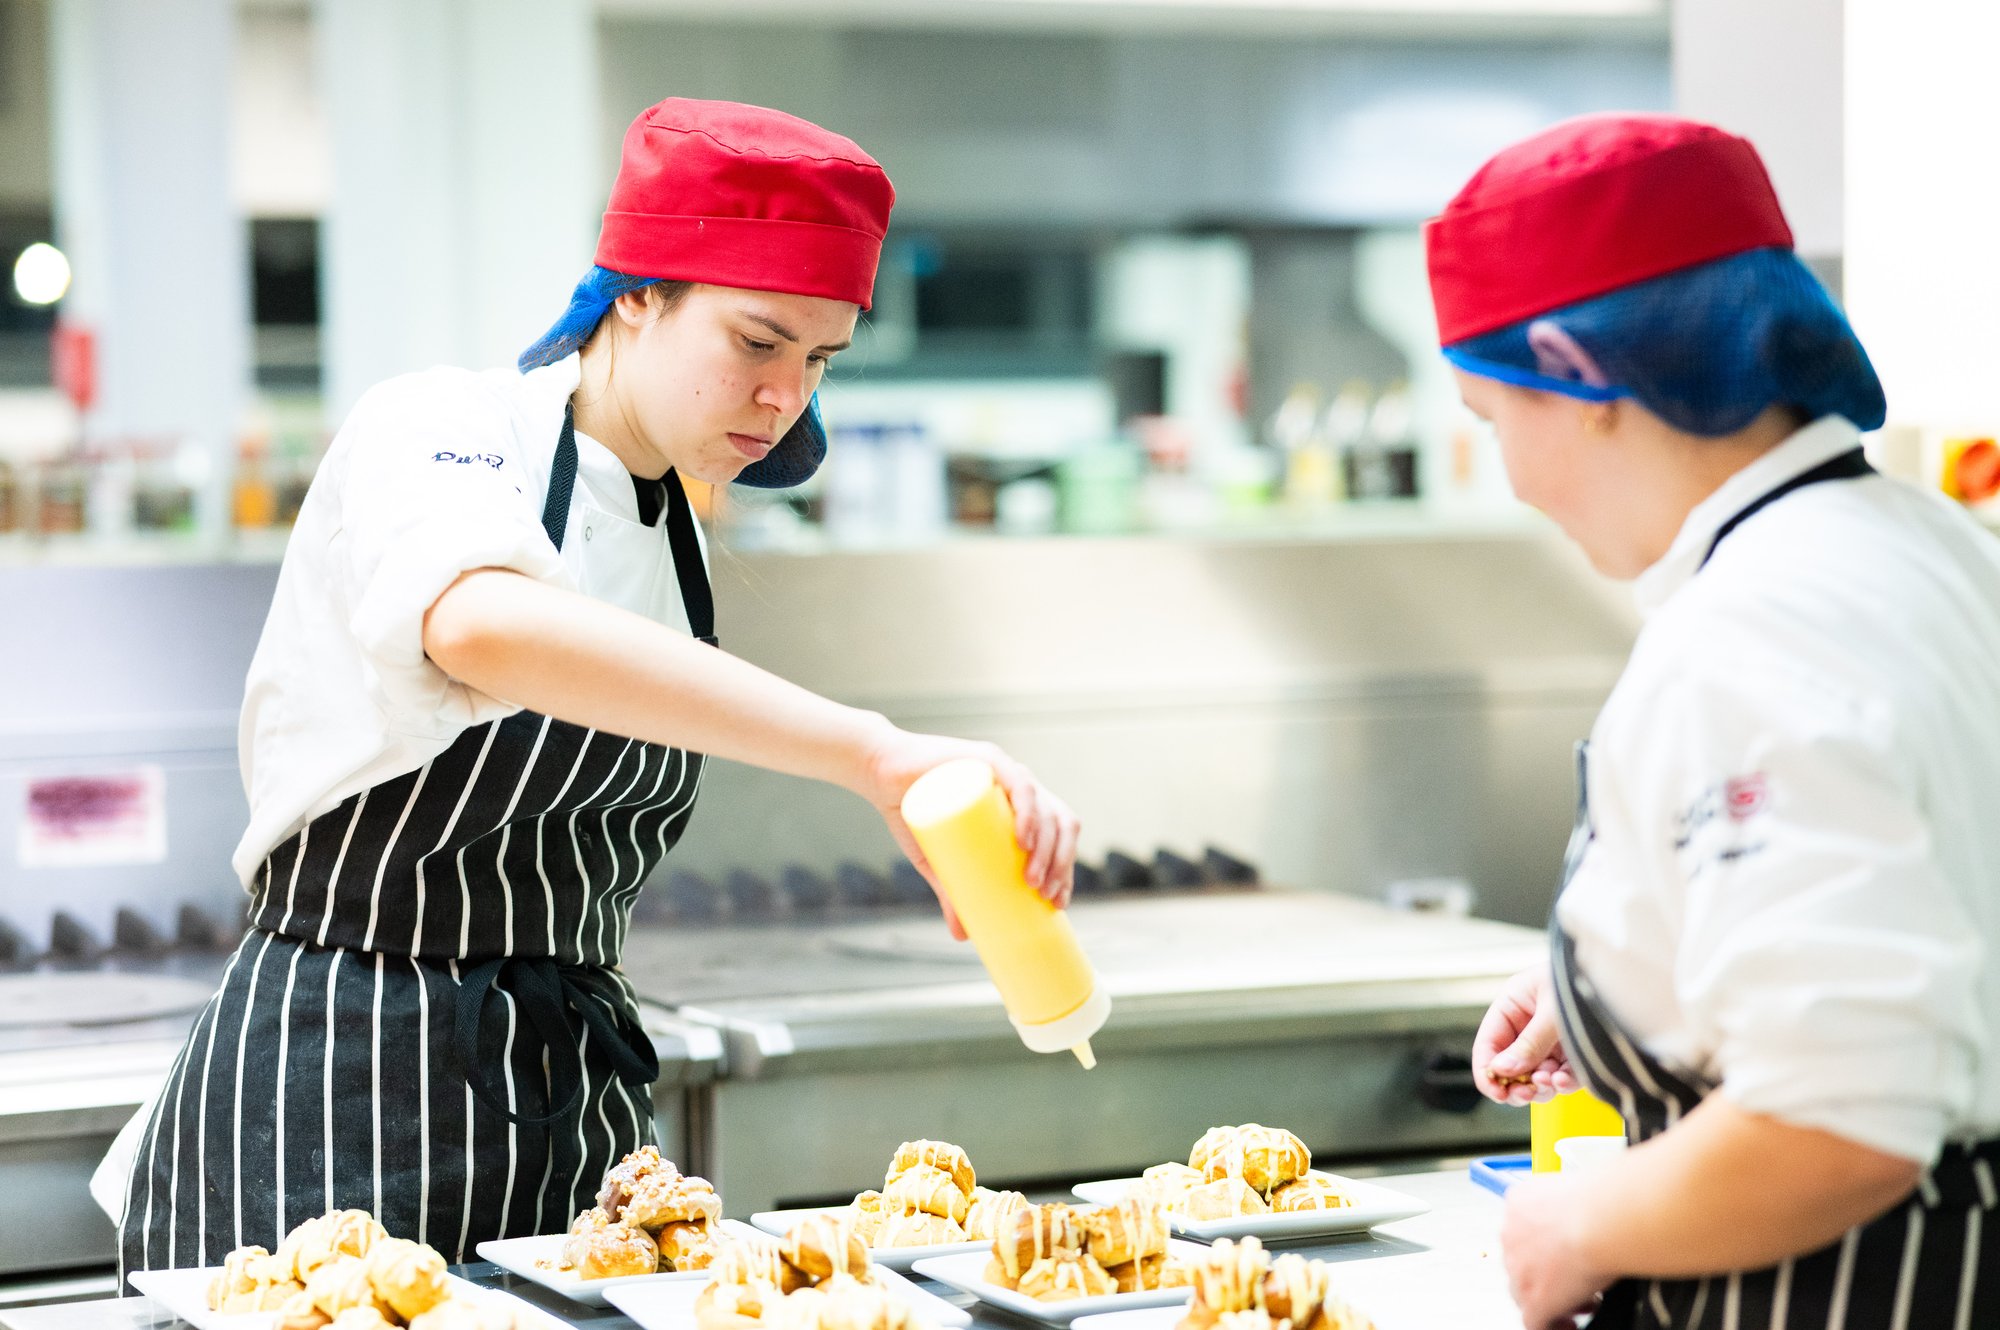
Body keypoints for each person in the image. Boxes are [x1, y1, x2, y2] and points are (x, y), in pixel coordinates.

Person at [111, 98, 1080, 1277]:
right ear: (636, 291)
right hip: (340, 1086)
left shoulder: (675, 523)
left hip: (564, 1106)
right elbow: (478, 624)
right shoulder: (437, 425)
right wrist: (874, 751)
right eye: (757, 342)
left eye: (819, 359)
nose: (787, 400)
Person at [1432, 114, 2000, 1329]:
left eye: (1492, 423)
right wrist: (1635, 959)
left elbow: (1842, 1115)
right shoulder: (1935, 549)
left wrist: (1570, 1223)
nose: (1515, 481)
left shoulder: (1753, 635)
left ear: (1574, 375)